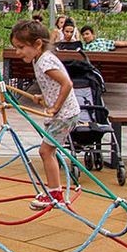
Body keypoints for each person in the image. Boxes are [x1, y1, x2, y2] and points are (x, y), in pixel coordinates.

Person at [9, 19, 79, 210]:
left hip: (64, 114)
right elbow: (55, 85)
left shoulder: (45, 61)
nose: (17, 52)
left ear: (38, 44)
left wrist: (55, 106)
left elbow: (67, 83)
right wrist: (44, 96)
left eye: (21, 47)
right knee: (49, 151)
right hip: (64, 113)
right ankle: (54, 191)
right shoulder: (40, 59)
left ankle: (55, 194)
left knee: (45, 151)